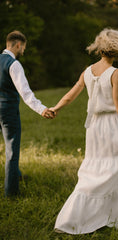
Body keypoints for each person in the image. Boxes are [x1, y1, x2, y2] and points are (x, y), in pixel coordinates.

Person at [50, 28, 118, 234]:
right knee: (117, 170)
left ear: (100, 49)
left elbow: (70, 96)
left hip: (93, 128)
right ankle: (116, 217)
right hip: (112, 126)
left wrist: (55, 108)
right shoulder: (116, 73)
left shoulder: (88, 71)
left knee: (95, 170)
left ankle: (101, 217)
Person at [0, 30, 55, 197]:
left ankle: (16, 175)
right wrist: (42, 109)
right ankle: (11, 193)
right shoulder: (13, 64)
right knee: (11, 149)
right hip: (7, 111)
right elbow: (26, 93)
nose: (23, 51)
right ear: (18, 45)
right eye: (23, 47)